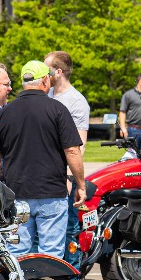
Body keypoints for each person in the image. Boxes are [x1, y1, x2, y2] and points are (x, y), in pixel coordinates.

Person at [0, 60, 85, 259]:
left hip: (16, 194)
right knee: (51, 255)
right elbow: (73, 151)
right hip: (51, 192)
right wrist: (81, 185)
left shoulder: (4, 113)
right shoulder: (57, 110)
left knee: (17, 254)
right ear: (45, 81)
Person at [46, 51, 90, 259]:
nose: (44, 75)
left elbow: (78, 146)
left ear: (59, 72)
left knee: (68, 233)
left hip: (63, 179)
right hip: (45, 177)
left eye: (47, 70)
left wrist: (69, 177)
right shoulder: (47, 95)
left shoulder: (76, 101)